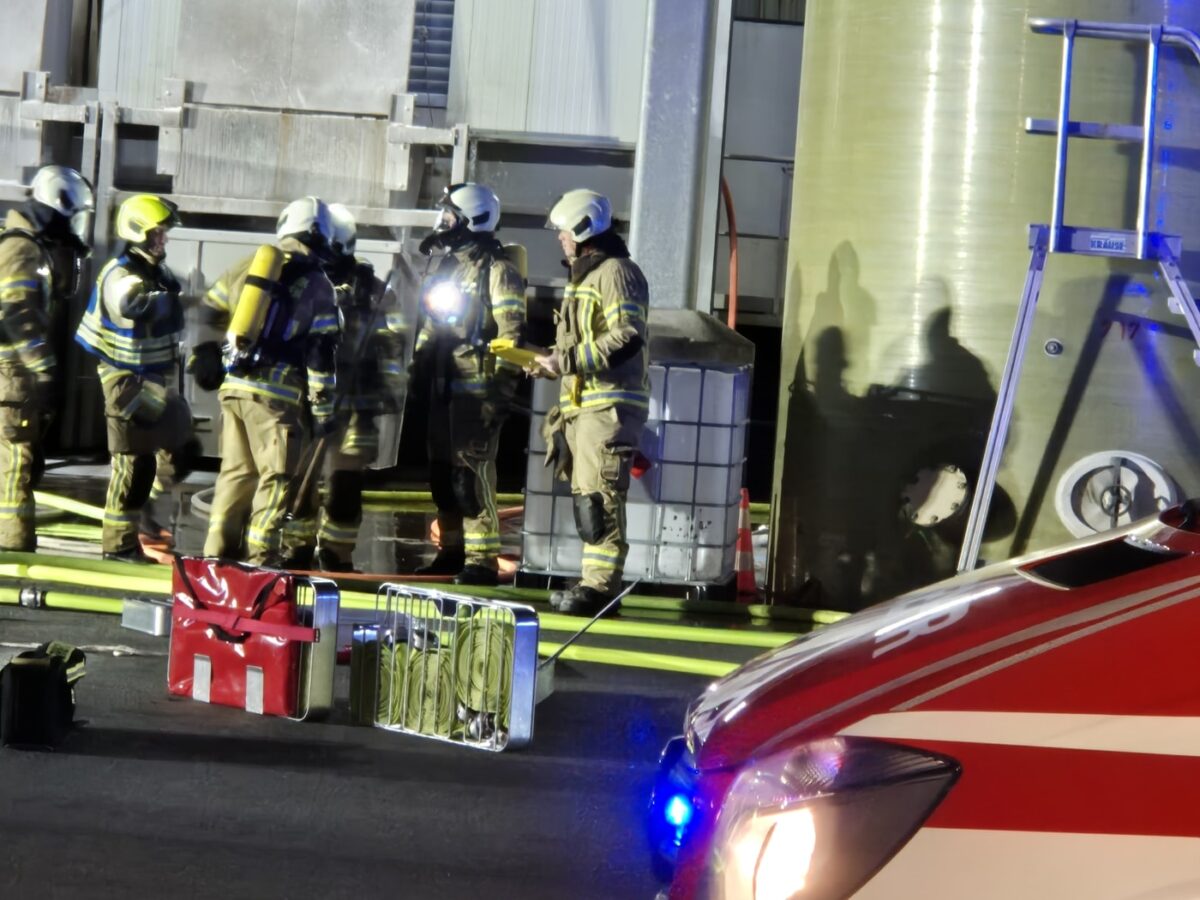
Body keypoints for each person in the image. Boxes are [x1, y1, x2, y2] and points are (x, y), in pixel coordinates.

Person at [199, 196, 339, 565]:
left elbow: (209, 311)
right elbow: (320, 351)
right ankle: (261, 560)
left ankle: (216, 558)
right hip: (275, 399)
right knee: (275, 479)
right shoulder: (318, 284)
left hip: (234, 388)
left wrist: (209, 353)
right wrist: (323, 407)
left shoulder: (249, 264)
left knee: (235, 474)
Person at [529, 189, 649, 616]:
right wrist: (549, 363)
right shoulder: (586, 276)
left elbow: (626, 337)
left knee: (600, 499)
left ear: (582, 229)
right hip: (585, 408)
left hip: (609, 407)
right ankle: (594, 583)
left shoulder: (616, 273)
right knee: (588, 500)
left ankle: (601, 590)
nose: (560, 238)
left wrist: (565, 361)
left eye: (564, 231)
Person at [283, 202, 412, 571]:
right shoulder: (307, 282)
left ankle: (337, 555)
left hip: (358, 403)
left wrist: (388, 384)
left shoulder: (373, 290)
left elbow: (394, 339)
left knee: (345, 486)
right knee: (301, 479)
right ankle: (297, 549)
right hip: (310, 396)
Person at [411, 183, 526, 585]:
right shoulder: (448, 267)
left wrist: (500, 392)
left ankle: (481, 559)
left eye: (449, 217)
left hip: (477, 392)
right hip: (445, 386)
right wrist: (418, 366)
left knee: (471, 477)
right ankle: (452, 552)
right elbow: (431, 324)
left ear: (471, 220)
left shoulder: (498, 269)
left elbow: (512, 334)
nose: (443, 224)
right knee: (443, 475)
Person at [75, 194, 198, 561]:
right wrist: (177, 302)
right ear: (137, 233)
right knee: (133, 464)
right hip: (123, 379)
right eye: (157, 234)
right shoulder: (120, 273)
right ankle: (118, 545)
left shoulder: (156, 273)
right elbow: (133, 305)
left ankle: (147, 518)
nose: (164, 241)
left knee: (182, 448)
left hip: (153, 378)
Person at [0, 165, 93, 551]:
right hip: (13, 373)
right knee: (16, 461)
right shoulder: (21, 249)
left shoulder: (29, 245)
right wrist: (43, 371)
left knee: (21, 458)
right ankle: (12, 547)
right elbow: (17, 316)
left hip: (15, 372)